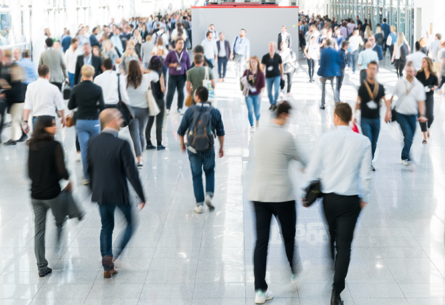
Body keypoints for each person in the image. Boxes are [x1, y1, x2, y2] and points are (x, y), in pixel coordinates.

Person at [305, 102, 372, 305]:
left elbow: (312, 169)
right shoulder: (363, 141)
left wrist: (307, 189)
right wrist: (365, 198)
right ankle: (336, 291)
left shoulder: (325, 139)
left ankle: (333, 265)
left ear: (335, 118)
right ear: (351, 118)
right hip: (350, 200)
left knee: (332, 236)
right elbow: (366, 176)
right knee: (345, 246)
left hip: (329, 200)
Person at [249, 101, 306, 304]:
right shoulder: (286, 137)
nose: (289, 120)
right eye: (288, 116)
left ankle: (260, 291)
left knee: (261, 242)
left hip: (259, 194)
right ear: (283, 115)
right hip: (283, 196)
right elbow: (303, 161)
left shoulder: (258, 135)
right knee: (288, 237)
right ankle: (294, 272)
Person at [87, 108, 146, 278]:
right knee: (130, 223)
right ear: (111, 121)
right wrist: (141, 196)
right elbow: (132, 174)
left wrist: (93, 188)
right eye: (119, 117)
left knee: (106, 226)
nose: (121, 120)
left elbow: (89, 169)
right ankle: (115, 256)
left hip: (101, 193)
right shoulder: (122, 144)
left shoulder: (92, 142)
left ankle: (107, 265)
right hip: (119, 193)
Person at [27, 116, 77, 278]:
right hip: (52, 194)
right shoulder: (55, 145)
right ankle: (58, 246)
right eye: (52, 125)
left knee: (39, 231)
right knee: (60, 220)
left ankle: (42, 267)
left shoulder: (32, 145)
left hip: (35, 195)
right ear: (44, 127)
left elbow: (29, 173)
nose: (55, 127)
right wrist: (68, 180)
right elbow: (62, 170)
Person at [177, 86, 225, 214]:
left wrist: (182, 144)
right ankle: (209, 195)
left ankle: (199, 204)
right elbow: (221, 132)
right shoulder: (215, 112)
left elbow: (181, 131)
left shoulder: (189, 111)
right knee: (210, 171)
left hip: (193, 149)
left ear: (197, 97)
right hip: (209, 149)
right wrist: (221, 147)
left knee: (196, 175)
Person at [68, 65, 105, 185]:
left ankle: (87, 177)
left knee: (84, 149)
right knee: (96, 148)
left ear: (82, 75)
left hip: (81, 122)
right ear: (93, 74)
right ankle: (98, 174)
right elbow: (103, 107)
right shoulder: (97, 89)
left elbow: (70, 106)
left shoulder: (77, 89)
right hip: (94, 121)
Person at [354, 61, 391, 170]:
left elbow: (386, 100)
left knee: (374, 143)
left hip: (376, 119)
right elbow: (358, 102)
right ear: (367, 70)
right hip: (365, 119)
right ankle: (367, 163)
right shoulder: (362, 87)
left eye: (374, 68)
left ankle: (369, 161)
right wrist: (354, 114)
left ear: (377, 71)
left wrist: (388, 111)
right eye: (370, 68)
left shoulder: (380, 87)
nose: (371, 71)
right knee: (368, 140)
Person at [389, 63, 427, 166]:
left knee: (410, 137)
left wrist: (422, 114)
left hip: (413, 115)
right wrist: (388, 112)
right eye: (407, 71)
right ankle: (405, 156)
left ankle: (405, 154)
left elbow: (421, 102)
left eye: (411, 71)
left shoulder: (418, 85)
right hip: (401, 114)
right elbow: (391, 97)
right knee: (408, 135)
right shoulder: (400, 82)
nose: (409, 73)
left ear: (415, 72)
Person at [123, 60, 159, 167]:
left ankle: (139, 159)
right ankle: (141, 155)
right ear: (140, 68)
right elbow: (156, 76)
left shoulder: (125, 79)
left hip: (131, 111)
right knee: (141, 133)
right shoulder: (146, 77)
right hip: (144, 110)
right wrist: (144, 69)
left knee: (135, 135)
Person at [23, 65, 66, 130]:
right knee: (49, 139)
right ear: (48, 75)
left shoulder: (30, 86)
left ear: (38, 73)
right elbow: (60, 107)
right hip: (50, 119)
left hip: (36, 120)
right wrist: (63, 118)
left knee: (37, 140)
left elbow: (27, 105)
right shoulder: (54, 88)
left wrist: (25, 121)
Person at [164, 37, 191, 115]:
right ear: (175, 44)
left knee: (181, 92)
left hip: (182, 76)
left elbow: (188, 65)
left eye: (182, 43)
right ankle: (168, 108)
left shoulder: (185, 53)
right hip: (172, 75)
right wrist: (172, 64)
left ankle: (180, 108)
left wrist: (188, 73)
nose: (181, 44)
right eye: (179, 43)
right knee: (170, 92)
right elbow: (165, 63)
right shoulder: (171, 53)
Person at [1, 63, 26, 146]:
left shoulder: (18, 81)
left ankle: (13, 139)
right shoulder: (15, 80)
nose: (10, 72)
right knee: (18, 120)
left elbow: (12, 91)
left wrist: (4, 92)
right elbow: (10, 90)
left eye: (12, 71)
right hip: (17, 102)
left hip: (18, 103)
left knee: (14, 121)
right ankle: (24, 134)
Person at [416, 57, 439, 144]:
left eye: (424, 62)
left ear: (428, 63)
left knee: (430, 115)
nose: (422, 63)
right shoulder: (419, 73)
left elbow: (436, 85)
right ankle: (424, 136)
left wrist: (434, 88)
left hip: (429, 96)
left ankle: (428, 127)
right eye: (422, 61)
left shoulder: (433, 74)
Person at [145, 56, 166, 150]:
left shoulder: (146, 73)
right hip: (160, 100)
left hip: (150, 100)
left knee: (150, 121)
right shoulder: (160, 73)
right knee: (159, 122)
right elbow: (162, 89)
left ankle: (148, 142)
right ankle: (159, 143)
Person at [242, 56, 265, 133]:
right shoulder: (247, 72)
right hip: (248, 94)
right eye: (252, 62)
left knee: (257, 112)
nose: (253, 63)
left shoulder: (260, 73)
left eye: (255, 62)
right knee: (250, 111)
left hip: (257, 95)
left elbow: (263, 85)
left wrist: (261, 94)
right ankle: (252, 125)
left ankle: (257, 119)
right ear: (250, 63)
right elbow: (242, 80)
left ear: (257, 63)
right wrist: (247, 78)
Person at [318, 39, 342, 109]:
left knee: (323, 89)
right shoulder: (335, 51)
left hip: (325, 72)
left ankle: (323, 104)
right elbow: (338, 61)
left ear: (326, 44)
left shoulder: (323, 52)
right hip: (334, 72)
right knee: (334, 88)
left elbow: (322, 63)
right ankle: (337, 103)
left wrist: (320, 75)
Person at [261, 42, 283, 111]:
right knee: (269, 93)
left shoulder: (278, 57)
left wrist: (282, 75)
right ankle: (272, 103)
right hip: (268, 77)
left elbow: (281, 67)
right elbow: (262, 67)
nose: (270, 48)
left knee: (276, 91)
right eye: (269, 46)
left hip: (277, 76)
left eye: (272, 46)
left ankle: (274, 103)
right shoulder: (265, 57)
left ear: (275, 48)